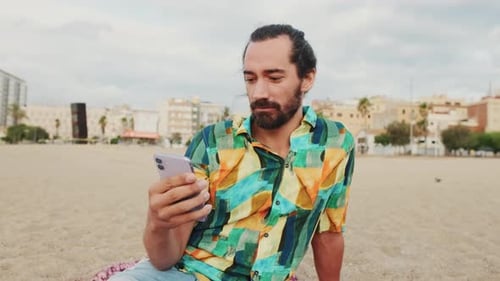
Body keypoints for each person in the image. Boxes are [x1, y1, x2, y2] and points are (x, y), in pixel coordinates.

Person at [111, 23, 355, 281]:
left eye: (274, 78)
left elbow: (328, 234)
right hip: (186, 273)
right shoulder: (213, 141)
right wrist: (158, 225)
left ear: (307, 78)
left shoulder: (335, 143)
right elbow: (165, 258)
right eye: (250, 79)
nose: (259, 92)